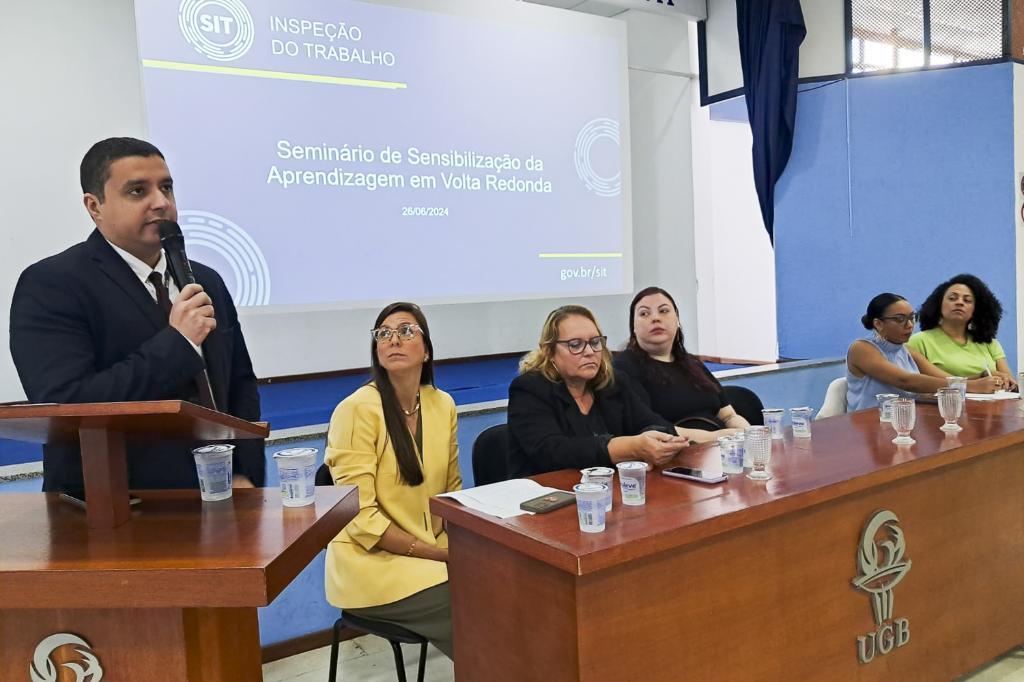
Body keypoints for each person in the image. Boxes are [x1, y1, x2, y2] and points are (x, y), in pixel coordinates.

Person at [9, 137, 263, 492]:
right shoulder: (52, 284)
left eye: (166, 187)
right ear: (94, 206)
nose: (161, 202)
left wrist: (245, 472)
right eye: (137, 191)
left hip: (225, 491)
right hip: (114, 502)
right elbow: (69, 405)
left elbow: (240, 385)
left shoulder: (206, 281)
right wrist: (178, 344)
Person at [324, 302, 459, 660]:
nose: (393, 339)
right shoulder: (355, 410)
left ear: (426, 350)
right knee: (471, 601)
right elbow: (360, 518)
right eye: (384, 333)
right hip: (370, 565)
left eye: (406, 331)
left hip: (431, 551)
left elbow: (451, 493)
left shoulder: (442, 404)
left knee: (501, 579)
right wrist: (443, 556)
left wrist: (467, 549)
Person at [507, 304, 689, 477]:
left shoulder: (613, 383)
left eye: (595, 342)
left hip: (609, 489)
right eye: (575, 344)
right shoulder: (529, 389)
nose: (589, 352)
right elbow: (552, 452)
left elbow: (656, 424)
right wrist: (629, 448)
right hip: (546, 492)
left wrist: (655, 442)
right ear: (549, 351)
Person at [614, 287, 749, 443]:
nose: (655, 318)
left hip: (722, 449)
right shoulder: (624, 368)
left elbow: (728, 416)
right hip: (676, 452)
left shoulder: (693, 364)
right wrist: (714, 438)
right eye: (644, 313)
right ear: (634, 327)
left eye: (663, 311)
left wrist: (750, 435)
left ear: (677, 320)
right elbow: (650, 427)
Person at [846, 293, 999, 411]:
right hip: (869, 425)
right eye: (900, 319)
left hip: (903, 421)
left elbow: (944, 378)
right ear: (878, 324)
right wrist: (971, 386)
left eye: (912, 317)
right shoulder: (862, 348)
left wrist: (981, 378)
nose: (909, 325)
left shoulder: (906, 350)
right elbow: (906, 381)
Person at [907, 274, 1017, 390]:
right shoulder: (919, 341)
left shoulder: (990, 343)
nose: (959, 303)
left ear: (976, 310)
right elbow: (921, 384)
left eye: (967, 300)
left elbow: (1010, 383)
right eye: (952, 298)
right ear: (938, 305)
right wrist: (979, 381)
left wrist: (1006, 381)